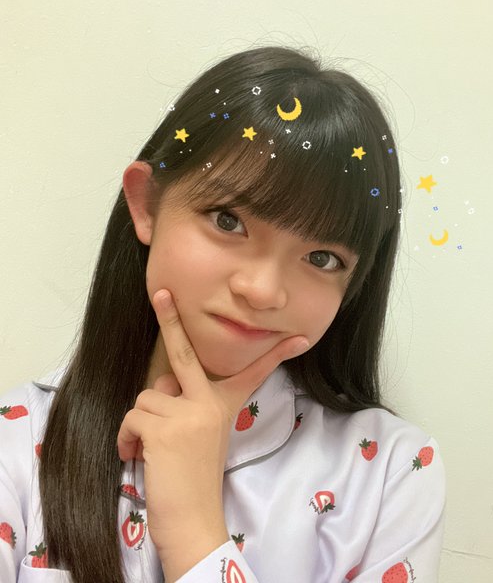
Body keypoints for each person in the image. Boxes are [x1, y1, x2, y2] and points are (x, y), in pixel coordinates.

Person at [0, 45, 446, 582]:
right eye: (228, 220)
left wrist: (195, 534)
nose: (262, 290)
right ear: (146, 204)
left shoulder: (394, 473)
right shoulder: (16, 444)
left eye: (322, 258)